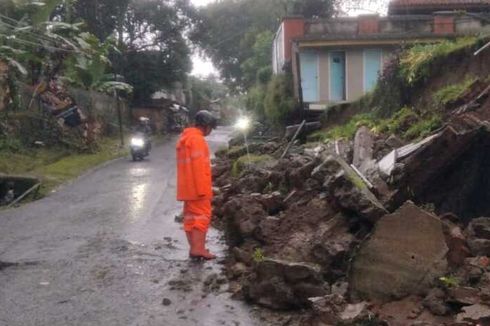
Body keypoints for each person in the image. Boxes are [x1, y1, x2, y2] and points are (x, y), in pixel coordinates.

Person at [176, 110, 218, 260]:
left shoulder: (185, 138)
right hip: (198, 189)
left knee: (190, 218)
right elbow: (199, 168)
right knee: (202, 217)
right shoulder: (198, 140)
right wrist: (203, 191)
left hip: (187, 189)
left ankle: (195, 247)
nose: (211, 131)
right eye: (211, 127)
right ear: (205, 126)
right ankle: (198, 249)